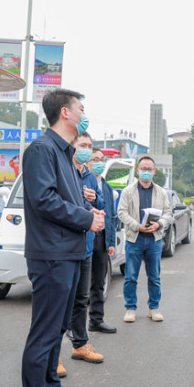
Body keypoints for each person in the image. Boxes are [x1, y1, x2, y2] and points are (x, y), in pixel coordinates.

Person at [21, 89, 104, 387]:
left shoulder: (65, 154)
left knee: (57, 329)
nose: (84, 114)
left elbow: (67, 201)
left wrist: (90, 212)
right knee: (43, 334)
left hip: (68, 253)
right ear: (65, 114)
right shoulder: (42, 150)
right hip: (51, 255)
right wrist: (86, 218)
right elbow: (44, 201)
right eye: (81, 108)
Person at [66, 133, 107, 364]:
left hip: (86, 247)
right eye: (83, 145)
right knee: (61, 301)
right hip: (66, 246)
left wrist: (92, 199)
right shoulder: (65, 172)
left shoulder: (90, 176)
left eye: (89, 146)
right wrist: (82, 202)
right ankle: (52, 356)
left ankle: (80, 344)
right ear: (71, 147)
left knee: (82, 298)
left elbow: (101, 204)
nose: (87, 150)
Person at [117, 156, 172, 323]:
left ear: (154, 171)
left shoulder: (161, 192)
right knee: (131, 276)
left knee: (154, 276)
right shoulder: (128, 191)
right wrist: (136, 226)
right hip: (135, 238)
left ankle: (154, 308)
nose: (146, 171)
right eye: (144, 168)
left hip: (154, 239)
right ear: (137, 169)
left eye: (149, 169)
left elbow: (168, 213)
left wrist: (159, 224)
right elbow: (122, 212)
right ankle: (130, 308)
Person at [87, 148, 118, 333]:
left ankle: (96, 320)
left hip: (102, 239)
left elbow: (111, 217)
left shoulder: (107, 187)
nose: (98, 163)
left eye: (101, 159)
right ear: (87, 162)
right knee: (80, 284)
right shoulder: (80, 183)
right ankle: (72, 325)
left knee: (99, 282)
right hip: (85, 238)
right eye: (94, 159)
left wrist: (111, 241)